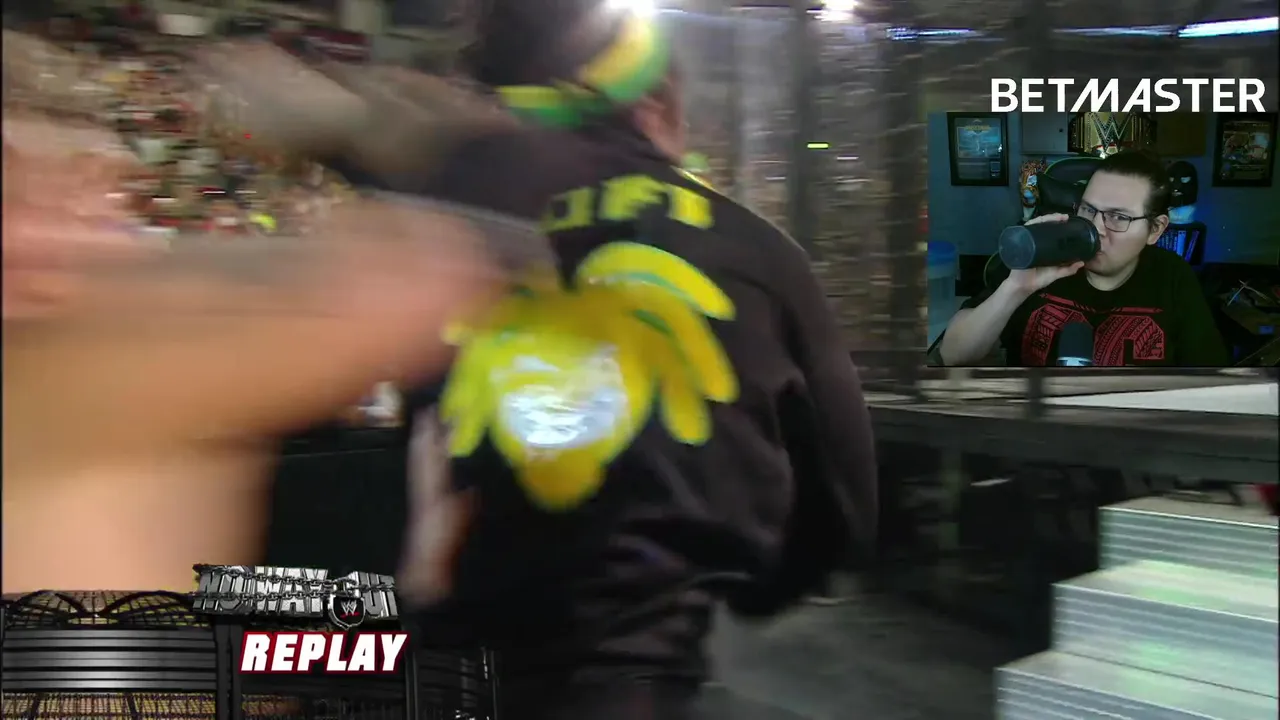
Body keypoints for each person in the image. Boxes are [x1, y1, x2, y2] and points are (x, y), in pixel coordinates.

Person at [387, 5, 878, 719]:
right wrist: (759, 584)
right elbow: (844, 504)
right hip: (639, 681)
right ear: (659, 99)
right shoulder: (756, 252)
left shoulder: (440, 243)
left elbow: (413, 473)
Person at [2, 33, 540, 593]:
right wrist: (347, 135)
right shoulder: (80, 367)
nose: (96, 220)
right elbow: (419, 281)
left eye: (104, 191)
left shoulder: (102, 339)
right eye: (38, 193)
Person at [939, 149, 1230, 367]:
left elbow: (1210, 385)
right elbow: (953, 355)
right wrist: (1015, 288)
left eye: (1118, 217)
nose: (1097, 228)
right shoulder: (1044, 260)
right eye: (1089, 210)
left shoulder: (1172, 276)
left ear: (1155, 229)